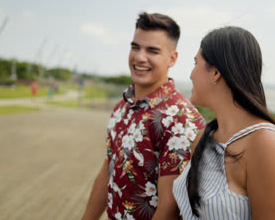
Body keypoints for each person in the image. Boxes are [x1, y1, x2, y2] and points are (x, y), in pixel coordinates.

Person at [82, 12, 205, 220]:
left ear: (172, 58)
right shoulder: (122, 106)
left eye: (152, 51)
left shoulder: (181, 119)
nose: (139, 57)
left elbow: (169, 209)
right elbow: (107, 172)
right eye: (135, 47)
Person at [173, 26, 275, 219]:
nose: (190, 74)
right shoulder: (204, 138)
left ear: (215, 72)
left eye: (195, 63)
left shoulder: (265, 143)